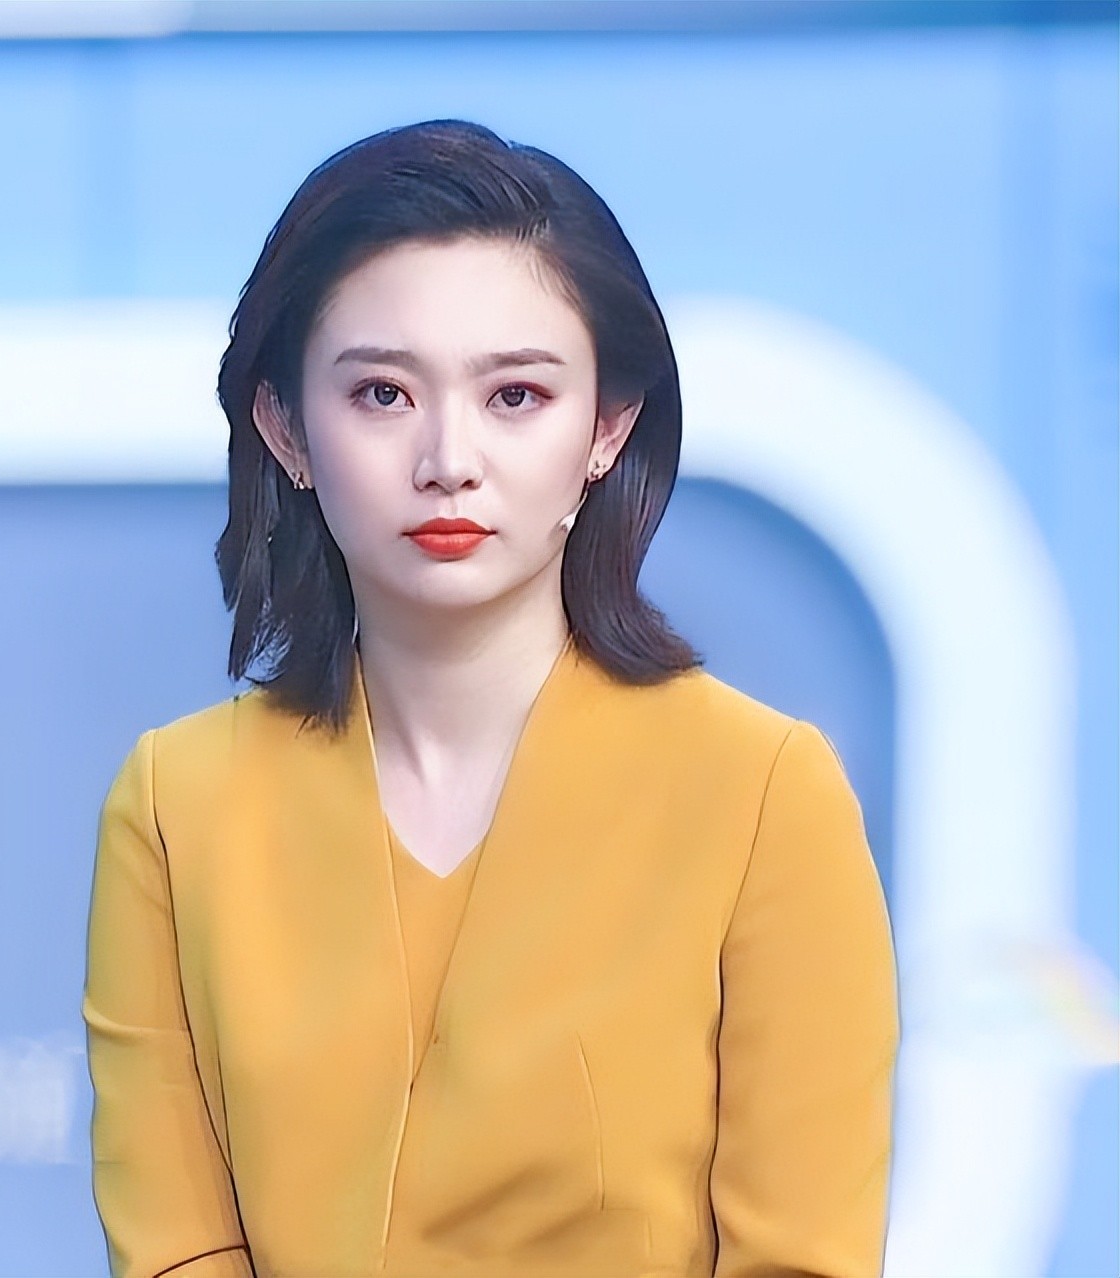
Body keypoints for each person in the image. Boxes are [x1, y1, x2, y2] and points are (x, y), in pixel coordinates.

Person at [82, 118, 900, 1278]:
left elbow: (799, 1257)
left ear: (606, 428)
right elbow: (175, 1251)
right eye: (381, 394)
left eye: (514, 395)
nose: (448, 459)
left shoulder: (762, 794)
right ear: (285, 428)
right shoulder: (176, 805)